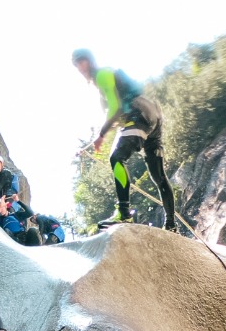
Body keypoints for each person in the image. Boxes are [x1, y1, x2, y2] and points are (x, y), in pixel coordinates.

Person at [71, 48, 177, 232]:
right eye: (77, 64)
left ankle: (124, 213)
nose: (80, 67)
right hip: (151, 116)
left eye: (82, 61)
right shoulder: (105, 80)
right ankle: (171, 225)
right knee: (157, 176)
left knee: (116, 158)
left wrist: (101, 134)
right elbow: (116, 115)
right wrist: (100, 138)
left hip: (138, 114)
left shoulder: (102, 75)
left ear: (90, 60)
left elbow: (116, 108)